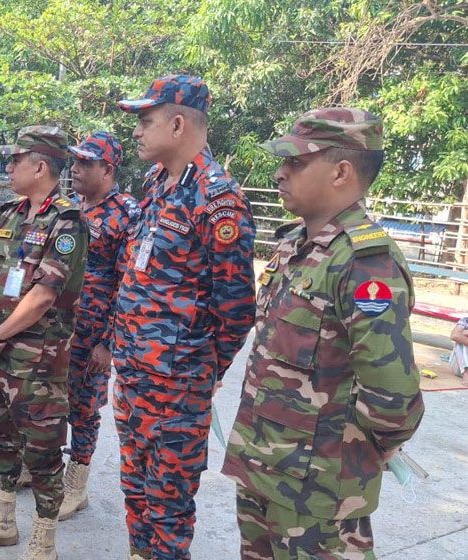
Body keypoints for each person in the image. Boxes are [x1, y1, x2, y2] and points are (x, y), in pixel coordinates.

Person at [222, 108, 426, 559]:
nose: (279, 173)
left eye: (295, 162)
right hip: (263, 467)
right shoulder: (294, 244)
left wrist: (352, 458)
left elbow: (393, 401)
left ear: (341, 172)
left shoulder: (366, 262)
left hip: (318, 491)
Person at [112, 75, 256, 560]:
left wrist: (202, 371)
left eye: (145, 121)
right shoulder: (156, 184)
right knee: (134, 488)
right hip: (132, 374)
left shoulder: (217, 199)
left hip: (176, 386)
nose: (136, 132)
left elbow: (236, 308)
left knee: (168, 504)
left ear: (177, 123)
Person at [0, 126, 86, 560]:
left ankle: (43, 541)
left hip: (38, 359)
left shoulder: (66, 222)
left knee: (44, 451)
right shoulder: (9, 214)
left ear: (40, 166)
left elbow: (45, 295)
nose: (8, 167)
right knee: (1, 437)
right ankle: (3, 522)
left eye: (15, 160)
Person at [58, 131, 138, 521]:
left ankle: (76, 483)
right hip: (57, 328)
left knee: (84, 409)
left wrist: (108, 343)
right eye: (74, 161)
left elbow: (127, 283)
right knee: (49, 399)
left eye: (85, 163)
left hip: (93, 335)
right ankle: (41, 466)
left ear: (108, 169)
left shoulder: (126, 213)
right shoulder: (70, 207)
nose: (75, 169)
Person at [449, 317, 468, 384]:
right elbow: (454, 336)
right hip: (460, 367)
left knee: (462, 336)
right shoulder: (465, 321)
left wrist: (464, 332)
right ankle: (466, 374)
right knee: (460, 340)